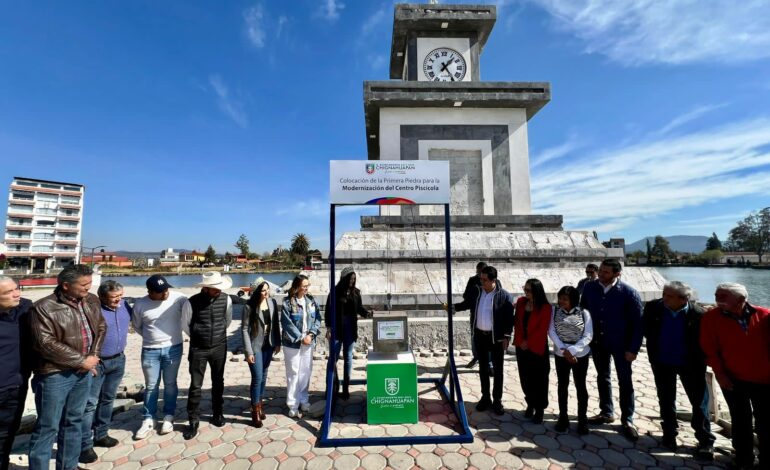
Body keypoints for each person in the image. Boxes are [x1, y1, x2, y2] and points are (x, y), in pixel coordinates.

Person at [27, 264, 106, 470]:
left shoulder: (91, 300)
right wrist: (82, 361)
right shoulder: (43, 307)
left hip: (83, 373)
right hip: (54, 375)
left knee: (73, 422)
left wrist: (94, 356)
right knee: (47, 428)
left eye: (90, 283)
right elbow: (45, 344)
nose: (88, 287)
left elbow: (100, 327)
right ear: (65, 285)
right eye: (84, 284)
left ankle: (68, 467)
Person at [700, 282, 770, 469]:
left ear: (741, 299)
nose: (718, 300)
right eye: (716, 295)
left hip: (764, 380)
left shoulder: (764, 315)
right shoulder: (711, 318)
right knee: (740, 420)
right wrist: (720, 375)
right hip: (732, 379)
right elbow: (710, 350)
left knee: (765, 421)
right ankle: (743, 458)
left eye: (723, 296)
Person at [643, 281, 715, 459]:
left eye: (669, 296)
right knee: (666, 399)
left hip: (690, 365)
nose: (664, 298)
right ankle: (669, 434)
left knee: (699, 402)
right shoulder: (654, 308)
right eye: (664, 294)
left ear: (683, 299)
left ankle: (705, 440)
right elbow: (645, 329)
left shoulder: (698, 315)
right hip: (662, 362)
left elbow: (706, 341)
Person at [580, 258, 643, 441]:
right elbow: (583, 312)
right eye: (600, 270)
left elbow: (638, 324)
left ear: (617, 274)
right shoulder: (590, 288)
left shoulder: (629, 293)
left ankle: (627, 419)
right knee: (603, 376)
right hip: (598, 342)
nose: (600, 274)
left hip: (621, 344)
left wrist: (633, 348)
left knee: (625, 380)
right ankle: (606, 411)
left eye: (606, 272)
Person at [132, 274, 191, 440]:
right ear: (150, 292)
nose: (165, 292)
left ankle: (168, 416)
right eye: (160, 291)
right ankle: (148, 419)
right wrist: (152, 338)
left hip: (174, 347)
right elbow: (137, 326)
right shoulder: (140, 304)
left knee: (171, 384)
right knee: (151, 386)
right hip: (150, 349)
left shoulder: (179, 298)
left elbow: (188, 315)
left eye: (166, 288)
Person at [79, 281, 132, 464]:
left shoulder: (125, 305)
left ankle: (101, 434)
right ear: (102, 297)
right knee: (89, 404)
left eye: (120, 295)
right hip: (97, 362)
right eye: (114, 297)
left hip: (118, 360)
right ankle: (84, 445)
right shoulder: (93, 311)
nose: (119, 299)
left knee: (108, 399)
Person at [182, 272, 233, 440]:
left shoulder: (227, 299)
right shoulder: (191, 303)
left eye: (219, 287)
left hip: (219, 346)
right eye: (215, 288)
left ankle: (217, 414)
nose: (218, 290)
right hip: (198, 349)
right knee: (196, 386)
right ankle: (193, 421)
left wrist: (217, 335)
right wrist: (199, 335)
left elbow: (228, 320)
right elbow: (186, 325)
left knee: (218, 381)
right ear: (206, 288)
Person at [462, 266, 514, 415]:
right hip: (480, 336)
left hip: (496, 339)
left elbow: (509, 319)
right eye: (481, 279)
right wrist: (452, 307)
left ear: (493, 281)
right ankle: (486, 397)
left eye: (484, 280)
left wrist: (507, 336)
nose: (481, 282)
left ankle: (497, 400)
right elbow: (466, 304)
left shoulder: (504, 296)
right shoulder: (477, 292)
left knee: (498, 371)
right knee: (483, 369)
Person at [548, 285, 592, 434]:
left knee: (581, 386)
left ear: (573, 300)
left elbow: (588, 335)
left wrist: (572, 350)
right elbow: (552, 331)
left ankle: (582, 419)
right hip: (561, 355)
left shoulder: (584, 313)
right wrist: (563, 349)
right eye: (560, 298)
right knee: (562, 385)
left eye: (565, 299)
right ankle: (563, 417)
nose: (561, 301)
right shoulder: (555, 312)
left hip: (579, 355)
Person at [325, 266, 372, 400]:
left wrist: (367, 313)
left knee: (348, 358)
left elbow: (359, 308)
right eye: (350, 279)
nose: (352, 281)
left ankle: (346, 387)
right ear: (344, 278)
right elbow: (328, 311)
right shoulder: (334, 292)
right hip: (337, 329)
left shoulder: (356, 292)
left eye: (354, 279)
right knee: (333, 358)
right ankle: (331, 387)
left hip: (350, 329)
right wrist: (328, 328)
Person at [0, 277, 32, 470]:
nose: (17, 293)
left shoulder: (25, 309)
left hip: (17, 386)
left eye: (17, 288)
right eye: (8, 292)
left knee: (7, 433)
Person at [281, 274, 321, 418]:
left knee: (305, 371)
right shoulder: (287, 303)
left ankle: (304, 400)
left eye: (307, 286)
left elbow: (317, 318)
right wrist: (300, 337)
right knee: (293, 373)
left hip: (308, 341)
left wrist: (311, 334)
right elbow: (286, 323)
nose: (306, 288)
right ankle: (293, 404)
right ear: (297, 287)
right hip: (292, 343)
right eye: (304, 286)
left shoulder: (310, 301)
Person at [241, 280, 281, 428]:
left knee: (264, 375)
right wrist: (248, 351)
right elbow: (244, 329)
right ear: (256, 291)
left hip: (268, 345)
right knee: (257, 377)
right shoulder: (249, 306)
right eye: (263, 291)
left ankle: (260, 403)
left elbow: (275, 323)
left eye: (267, 290)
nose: (266, 293)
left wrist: (278, 342)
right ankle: (255, 410)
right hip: (255, 346)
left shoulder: (272, 303)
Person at [513, 278, 552, 424]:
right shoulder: (521, 303)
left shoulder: (545, 307)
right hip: (522, 347)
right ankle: (530, 403)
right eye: (525, 289)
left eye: (529, 290)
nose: (526, 292)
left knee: (540, 379)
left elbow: (542, 329)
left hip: (536, 348)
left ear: (537, 291)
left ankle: (540, 408)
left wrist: (528, 343)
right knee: (525, 377)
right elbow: (517, 322)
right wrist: (521, 341)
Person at [454, 262, 488, 369]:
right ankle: (476, 357)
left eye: (481, 273)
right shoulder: (473, 282)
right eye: (478, 273)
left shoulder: (495, 284)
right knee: (475, 337)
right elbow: (466, 298)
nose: (480, 277)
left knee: (489, 341)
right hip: (476, 316)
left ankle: (489, 363)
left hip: (488, 318)